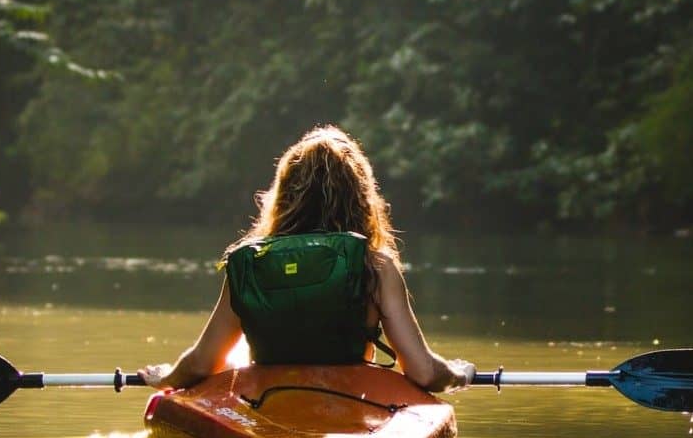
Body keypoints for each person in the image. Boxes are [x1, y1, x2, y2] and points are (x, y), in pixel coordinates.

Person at [139, 125, 474, 393]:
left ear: (284, 194)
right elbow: (424, 373)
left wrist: (167, 378)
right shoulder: (376, 267)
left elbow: (201, 364)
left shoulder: (251, 265)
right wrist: (457, 373)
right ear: (361, 197)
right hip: (351, 402)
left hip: (267, 403)